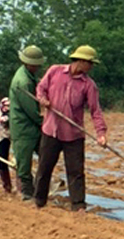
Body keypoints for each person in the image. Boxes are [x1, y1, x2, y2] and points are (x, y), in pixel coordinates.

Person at [33, 45, 107, 211]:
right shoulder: (55, 71)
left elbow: (95, 111)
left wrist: (100, 133)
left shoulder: (88, 85)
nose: (91, 67)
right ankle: (39, 201)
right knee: (44, 167)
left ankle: (78, 205)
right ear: (80, 61)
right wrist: (42, 99)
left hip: (73, 134)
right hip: (51, 130)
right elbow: (40, 89)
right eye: (90, 63)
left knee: (76, 172)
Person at [9, 45, 45, 200]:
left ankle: (39, 188)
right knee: (24, 163)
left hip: (32, 127)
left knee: (45, 155)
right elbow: (31, 110)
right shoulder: (22, 82)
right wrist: (43, 122)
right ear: (28, 63)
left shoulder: (29, 76)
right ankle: (27, 193)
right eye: (35, 64)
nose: (37, 67)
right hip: (23, 127)